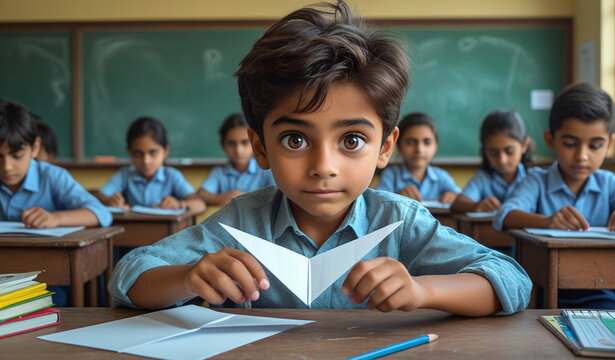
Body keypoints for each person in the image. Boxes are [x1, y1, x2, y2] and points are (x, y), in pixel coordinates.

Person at [109, 1, 531, 316]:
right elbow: (129, 274)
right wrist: (186, 277)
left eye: (351, 140)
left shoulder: (400, 223)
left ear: (385, 147)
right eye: (295, 139)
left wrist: (424, 292)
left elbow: (511, 280)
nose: (323, 165)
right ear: (260, 147)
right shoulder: (240, 223)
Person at [494, 83, 615, 309]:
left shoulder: (608, 183)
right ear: (551, 140)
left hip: (597, 294)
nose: (582, 156)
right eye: (570, 144)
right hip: (537, 295)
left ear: (609, 144)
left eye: (595, 145)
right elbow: (505, 215)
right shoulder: (537, 181)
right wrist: (548, 221)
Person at [0, 99, 112, 228]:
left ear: (35, 148)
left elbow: (101, 213)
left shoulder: (52, 177)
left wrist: (56, 218)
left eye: (17, 156)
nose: (6, 167)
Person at [96, 116, 205, 213]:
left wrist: (179, 204)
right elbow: (99, 196)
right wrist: (110, 201)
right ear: (130, 152)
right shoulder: (125, 175)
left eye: (153, 153)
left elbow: (200, 204)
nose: (146, 161)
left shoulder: (172, 176)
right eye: (138, 154)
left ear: (166, 152)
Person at [451, 110, 533, 213]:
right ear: (484, 150)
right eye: (493, 152)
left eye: (509, 151)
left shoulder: (533, 178)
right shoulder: (483, 178)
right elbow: (458, 203)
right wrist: (475, 206)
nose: (502, 160)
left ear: (524, 145)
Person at [376, 112, 460, 204]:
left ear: (436, 146)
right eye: (410, 142)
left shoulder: (442, 177)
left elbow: (462, 198)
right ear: (398, 146)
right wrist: (396, 197)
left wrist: (455, 197)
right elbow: (379, 204)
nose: (419, 149)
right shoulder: (391, 175)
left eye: (427, 142)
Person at [197, 113, 275, 206]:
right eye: (231, 143)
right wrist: (223, 198)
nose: (238, 151)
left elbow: (278, 198)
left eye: (245, 142)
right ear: (223, 145)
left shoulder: (267, 169)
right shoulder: (219, 173)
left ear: (254, 143)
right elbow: (201, 194)